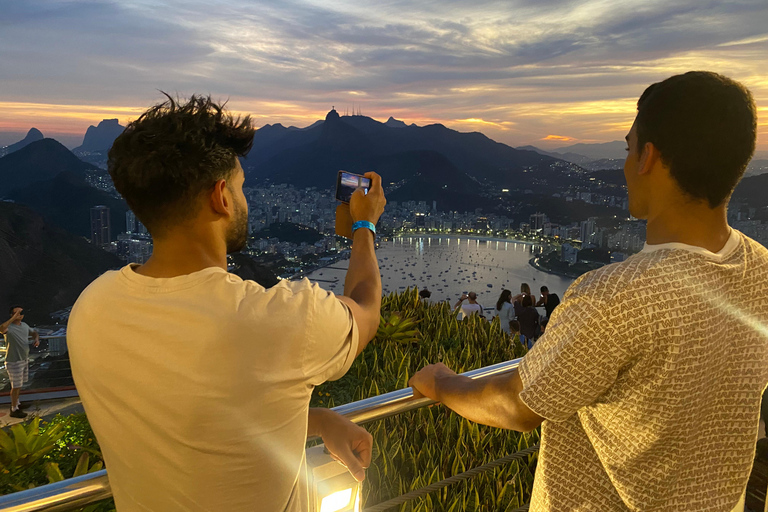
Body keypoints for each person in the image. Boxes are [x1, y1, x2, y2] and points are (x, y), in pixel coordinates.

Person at [409, 71, 768, 511]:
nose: (624, 162)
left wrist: (443, 383)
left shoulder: (614, 296)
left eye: (628, 147)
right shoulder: (762, 271)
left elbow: (519, 405)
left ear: (648, 157)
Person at [68, 96, 386, 512]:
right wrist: (364, 225)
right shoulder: (281, 320)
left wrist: (320, 420)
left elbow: (189, 415)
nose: (244, 200)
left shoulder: (91, 310)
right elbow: (366, 306)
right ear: (221, 196)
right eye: (240, 188)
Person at [0, 306, 39, 418]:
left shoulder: (24, 326)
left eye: (21, 312)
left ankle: (17, 404)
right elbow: (1, 328)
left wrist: (36, 339)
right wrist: (13, 319)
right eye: (16, 313)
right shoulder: (9, 327)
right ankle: (13, 409)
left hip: (24, 359)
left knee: (19, 385)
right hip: (14, 361)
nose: (19, 314)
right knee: (15, 386)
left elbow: (34, 332)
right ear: (11, 315)